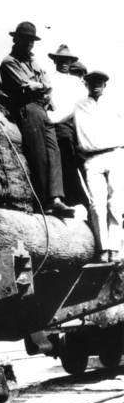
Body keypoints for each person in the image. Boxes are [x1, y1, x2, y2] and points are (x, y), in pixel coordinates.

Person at [0, 22, 75, 218]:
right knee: (39, 153)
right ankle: (44, 201)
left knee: (54, 150)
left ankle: (57, 198)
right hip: (27, 109)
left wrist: (38, 85)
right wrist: (39, 86)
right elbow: (26, 86)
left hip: (42, 109)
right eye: (25, 40)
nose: (29, 45)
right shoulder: (9, 62)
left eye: (31, 41)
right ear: (16, 39)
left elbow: (47, 85)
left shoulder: (33, 62)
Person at [74, 71, 124, 262]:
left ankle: (115, 248)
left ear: (105, 85)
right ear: (86, 85)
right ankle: (103, 248)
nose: (96, 85)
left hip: (115, 154)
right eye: (92, 82)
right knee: (96, 205)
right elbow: (58, 118)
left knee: (116, 203)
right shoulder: (79, 105)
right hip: (92, 158)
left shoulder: (114, 104)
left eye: (100, 82)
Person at [46, 44, 86, 205]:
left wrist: (56, 117)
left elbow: (78, 105)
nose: (64, 63)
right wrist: (52, 116)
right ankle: (73, 199)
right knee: (63, 151)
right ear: (55, 61)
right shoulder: (48, 78)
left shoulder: (76, 82)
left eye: (67, 61)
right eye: (61, 60)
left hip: (72, 122)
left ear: (71, 63)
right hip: (56, 124)